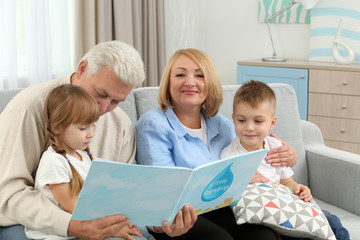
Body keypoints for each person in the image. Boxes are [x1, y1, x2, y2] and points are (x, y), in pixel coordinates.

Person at [0, 41, 193, 239]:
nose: (103, 109)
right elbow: (7, 194)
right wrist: (74, 226)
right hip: (27, 224)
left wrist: (160, 224)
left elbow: (128, 196)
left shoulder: (121, 124)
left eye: (116, 101)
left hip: (102, 222)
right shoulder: (28, 109)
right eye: (100, 94)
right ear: (82, 69)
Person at [135, 48, 298, 240]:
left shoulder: (222, 124)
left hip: (217, 206)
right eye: (180, 74)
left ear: (209, 83)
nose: (190, 82)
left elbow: (246, 153)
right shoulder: (153, 124)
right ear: (168, 83)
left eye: (199, 75)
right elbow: (165, 189)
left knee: (263, 236)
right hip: (176, 215)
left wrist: (288, 156)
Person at [220, 80, 350, 240]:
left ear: (272, 122)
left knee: (332, 221)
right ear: (233, 119)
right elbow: (227, 193)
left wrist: (299, 188)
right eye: (242, 120)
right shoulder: (229, 155)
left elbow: (287, 182)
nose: (249, 127)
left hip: (286, 205)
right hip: (261, 214)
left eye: (258, 121)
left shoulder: (275, 148)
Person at [25, 84, 154, 240]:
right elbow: (76, 209)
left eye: (93, 126)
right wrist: (112, 230)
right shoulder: (53, 162)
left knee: (143, 232)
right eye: (83, 128)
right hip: (66, 234)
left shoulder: (83, 156)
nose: (91, 134)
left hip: (88, 223)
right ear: (58, 127)